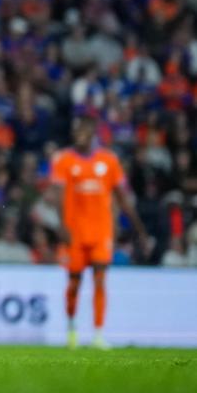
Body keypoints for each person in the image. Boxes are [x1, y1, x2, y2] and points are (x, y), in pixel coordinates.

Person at [51, 113, 147, 350]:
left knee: (100, 280)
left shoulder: (109, 161)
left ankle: (98, 334)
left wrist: (139, 228)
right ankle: (72, 327)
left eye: (83, 132)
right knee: (74, 282)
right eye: (76, 133)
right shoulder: (64, 161)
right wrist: (61, 225)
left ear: (92, 134)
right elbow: (58, 197)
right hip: (75, 232)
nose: (79, 136)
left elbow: (122, 197)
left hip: (101, 231)